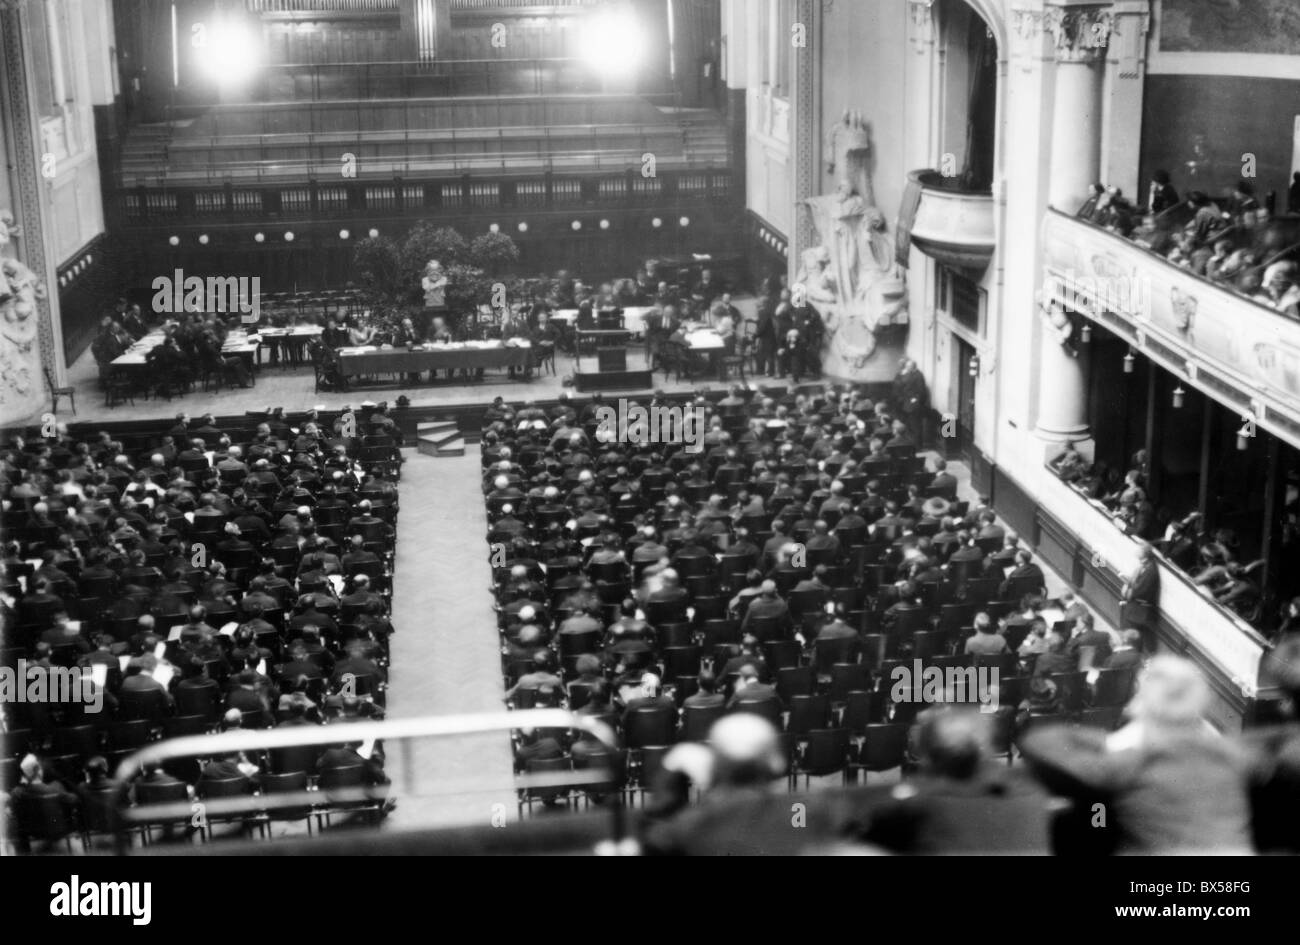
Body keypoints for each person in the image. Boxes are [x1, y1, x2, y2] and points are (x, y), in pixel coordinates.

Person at [1020, 656, 1253, 853]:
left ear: (1142, 703)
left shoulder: (1126, 764)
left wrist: (1110, 744)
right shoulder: (1233, 758)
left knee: (1088, 814)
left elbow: (1038, 741)